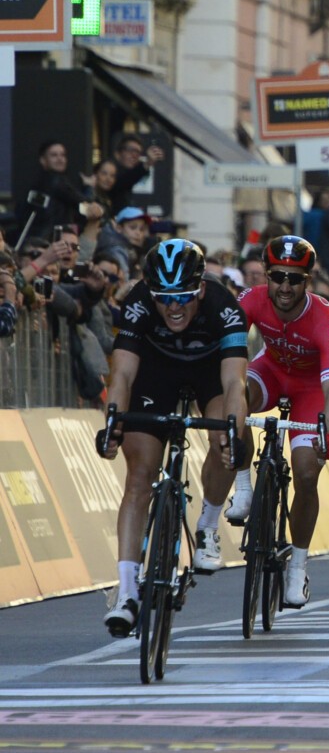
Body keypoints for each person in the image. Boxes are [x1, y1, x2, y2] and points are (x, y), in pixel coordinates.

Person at [95, 239, 249, 637]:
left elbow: (235, 381)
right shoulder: (139, 301)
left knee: (226, 439)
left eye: (182, 296)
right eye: (164, 298)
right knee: (139, 475)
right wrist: (114, 421)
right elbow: (124, 374)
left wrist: (233, 428)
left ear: (199, 288)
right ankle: (127, 591)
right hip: (155, 373)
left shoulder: (223, 305)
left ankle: (208, 526)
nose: (173, 307)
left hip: (208, 373)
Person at [235, 235, 329, 607]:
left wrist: (324, 436)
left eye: (295, 279)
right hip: (270, 371)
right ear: (266, 275)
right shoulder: (251, 299)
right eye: (278, 276)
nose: (285, 286)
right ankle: (244, 488)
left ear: (308, 281)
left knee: (306, 473)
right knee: (234, 396)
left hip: (310, 389)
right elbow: (228, 354)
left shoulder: (325, 318)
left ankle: (297, 565)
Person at [21, 140, 98, 242]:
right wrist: (89, 187)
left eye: (63, 155)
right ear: (43, 160)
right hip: (53, 240)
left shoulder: (39, 183)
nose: (60, 159)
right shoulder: (55, 181)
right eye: (54, 155)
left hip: (38, 239)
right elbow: (85, 203)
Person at [108, 133, 165, 214]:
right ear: (118, 154)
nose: (134, 155)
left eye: (138, 152)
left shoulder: (129, 178)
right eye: (130, 150)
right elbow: (124, 181)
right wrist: (148, 163)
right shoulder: (113, 172)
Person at [96, 207, 151, 276]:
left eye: (142, 229)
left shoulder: (131, 249)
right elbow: (124, 282)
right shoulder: (117, 250)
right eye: (133, 227)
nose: (138, 233)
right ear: (119, 228)